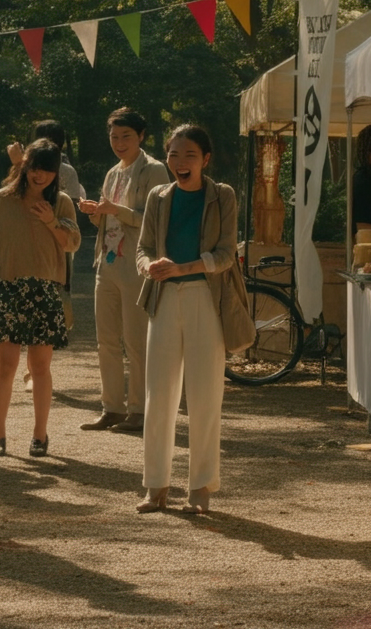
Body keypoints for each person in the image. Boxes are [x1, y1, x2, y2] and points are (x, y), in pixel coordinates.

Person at [135, 124, 236, 515]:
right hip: (163, 296)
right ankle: (155, 486)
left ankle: (200, 488)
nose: (180, 163)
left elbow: (227, 254)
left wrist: (185, 268)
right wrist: (149, 267)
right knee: (158, 394)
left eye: (189, 155)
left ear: (205, 159)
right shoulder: (159, 196)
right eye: (173, 155)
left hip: (204, 298)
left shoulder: (222, 195)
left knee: (204, 394)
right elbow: (143, 249)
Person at [0, 139, 80, 457]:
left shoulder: (61, 202)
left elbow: (72, 244)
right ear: (25, 166)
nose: (40, 176)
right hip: (7, 288)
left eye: (48, 171)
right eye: (35, 169)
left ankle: (40, 435)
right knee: (6, 366)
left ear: (56, 173)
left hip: (45, 290)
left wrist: (51, 222)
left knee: (40, 368)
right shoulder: (2, 199)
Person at [78, 108, 169, 432]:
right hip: (107, 262)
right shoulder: (113, 173)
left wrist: (114, 209)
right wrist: (95, 212)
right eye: (114, 136)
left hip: (137, 265)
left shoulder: (155, 170)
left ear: (141, 136)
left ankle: (140, 411)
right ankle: (112, 408)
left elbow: (156, 218)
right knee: (106, 341)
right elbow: (107, 218)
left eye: (126, 136)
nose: (119, 142)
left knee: (135, 340)